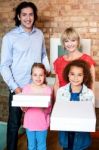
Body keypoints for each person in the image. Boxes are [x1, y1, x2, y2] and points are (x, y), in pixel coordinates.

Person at [0, 1, 50, 150]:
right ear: (19, 17)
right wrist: (15, 88)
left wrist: (46, 72)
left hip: (37, 88)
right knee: (14, 124)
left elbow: (43, 55)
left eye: (31, 14)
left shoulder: (39, 34)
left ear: (34, 16)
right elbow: (4, 66)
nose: (28, 18)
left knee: (34, 124)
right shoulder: (10, 37)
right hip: (19, 89)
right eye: (24, 15)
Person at [56, 59, 95, 150]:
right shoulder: (61, 92)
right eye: (72, 74)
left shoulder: (89, 94)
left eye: (79, 75)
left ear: (84, 76)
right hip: (66, 132)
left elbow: (90, 115)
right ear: (68, 75)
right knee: (67, 147)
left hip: (81, 134)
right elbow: (59, 112)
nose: (75, 78)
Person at [53, 27, 95, 96]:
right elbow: (57, 84)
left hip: (82, 99)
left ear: (78, 41)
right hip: (63, 99)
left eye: (73, 40)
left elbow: (92, 84)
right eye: (66, 41)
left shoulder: (87, 59)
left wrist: (92, 105)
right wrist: (56, 103)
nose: (70, 44)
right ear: (63, 43)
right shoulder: (58, 61)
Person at [21, 63, 52, 150]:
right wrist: (23, 106)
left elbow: (49, 109)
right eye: (35, 75)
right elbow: (24, 109)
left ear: (44, 76)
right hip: (29, 122)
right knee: (31, 146)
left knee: (41, 146)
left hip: (42, 123)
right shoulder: (26, 89)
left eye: (41, 75)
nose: (38, 78)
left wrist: (44, 107)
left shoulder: (47, 89)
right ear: (31, 76)